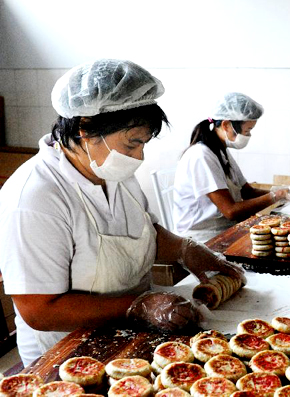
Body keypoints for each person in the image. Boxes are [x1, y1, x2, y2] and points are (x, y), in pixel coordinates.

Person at [0, 59, 244, 366]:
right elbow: (39, 310)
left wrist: (187, 249)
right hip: (68, 356)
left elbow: (144, 232)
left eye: (143, 144)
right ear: (85, 128)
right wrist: (137, 306)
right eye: (131, 145)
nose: (138, 157)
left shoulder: (114, 172)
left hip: (132, 339)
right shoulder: (35, 197)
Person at [173, 93, 290, 241]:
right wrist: (276, 196)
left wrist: (285, 193)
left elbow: (247, 192)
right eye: (247, 131)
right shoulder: (201, 156)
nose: (248, 135)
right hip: (202, 238)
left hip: (224, 228)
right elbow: (231, 211)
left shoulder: (220, 150)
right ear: (226, 125)